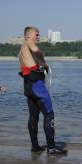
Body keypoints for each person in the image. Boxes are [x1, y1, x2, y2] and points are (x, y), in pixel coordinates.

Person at [18, 26, 67, 155]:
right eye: (37, 34)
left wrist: (41, 65)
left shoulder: (22, 50)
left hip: (28, 86)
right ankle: (51, 148)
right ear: (28, 36)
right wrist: (44, 62)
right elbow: (36, 50)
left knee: (34, 116)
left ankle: (35, 146)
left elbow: (30, 64)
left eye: (39, 34)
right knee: (49, 115)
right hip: (37, 86)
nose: (38, 37)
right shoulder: (29, 43)